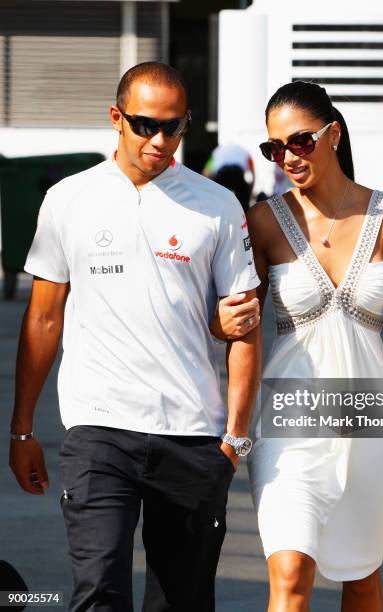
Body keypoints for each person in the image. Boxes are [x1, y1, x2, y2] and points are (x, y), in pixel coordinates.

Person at [8, 61, 261, 612]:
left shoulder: (216, 205)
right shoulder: (68, 199)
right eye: (146, 124)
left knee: (181, 602)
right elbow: (43, 319)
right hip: (98, 430)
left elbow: (244, 326)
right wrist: (22, 429)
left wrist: (235, 438)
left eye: (175, 126)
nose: (161, 139)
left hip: (193, 434)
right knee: (99, 592)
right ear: (116, 118)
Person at [211, 81, 383, 612]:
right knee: (289, 575)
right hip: (287, 424)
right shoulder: (263, 221)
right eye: (274, 148)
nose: (287, 156)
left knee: (363, 581)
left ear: (333, 134)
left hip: (367, 422)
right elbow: (241, 329)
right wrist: (222, 335)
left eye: (299, 141)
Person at [203, 143, 255, 212]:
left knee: (218, 202)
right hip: (237, 174)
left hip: (222, 174)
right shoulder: (245, 151)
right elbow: (253, 173)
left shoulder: (217, 151)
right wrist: (250, 191)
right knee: (243, 203)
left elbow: (206, 172)